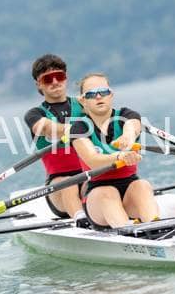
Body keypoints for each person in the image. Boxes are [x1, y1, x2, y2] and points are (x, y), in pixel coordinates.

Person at [69, 72, 160, 228]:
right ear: (83, 100)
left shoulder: (126, 115)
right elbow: (92, 160)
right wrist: (119, 156)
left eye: (103, 92)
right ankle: (127, 231)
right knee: (107, 193)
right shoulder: (79, 128)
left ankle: (157, 227)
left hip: (130, 191)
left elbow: (132, 127)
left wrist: (128, 137)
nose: (98, 97)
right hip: (97, 195)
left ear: (111, 94)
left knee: (142, 185)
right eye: (91, 94)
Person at [23, 54, 87, 224]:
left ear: (66, 78)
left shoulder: (84, 104)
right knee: (68, 183)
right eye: (47, 79)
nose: (54, 82)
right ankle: (80, 219)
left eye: (59, 76)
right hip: (58, 186)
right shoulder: (35, 114)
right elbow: (46, 129)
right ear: (39, 84)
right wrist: (81, 128)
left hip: (89, 176)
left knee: (102, 183)